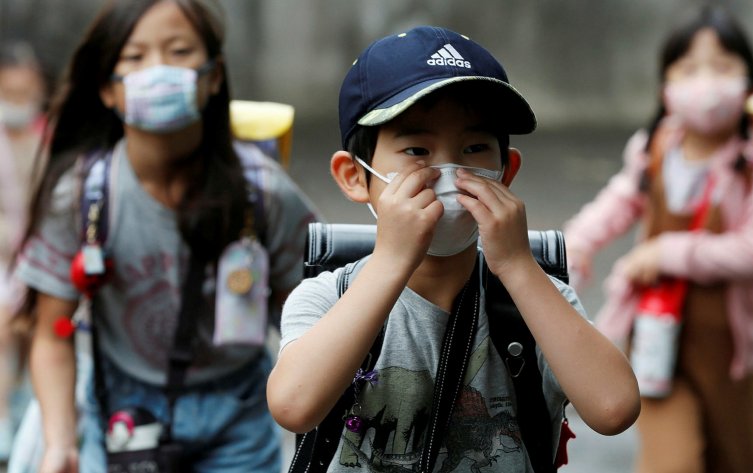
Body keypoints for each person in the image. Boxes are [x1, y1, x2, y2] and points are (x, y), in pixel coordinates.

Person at [267, 25, 640, 472]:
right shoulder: (328, 297)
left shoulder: (534, 302)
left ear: (506, 171)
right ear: (354, 176)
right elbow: (293, 406)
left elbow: (614, 408)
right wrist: (390, 260)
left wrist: (518, 265)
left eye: (475, 148)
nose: (448, 171)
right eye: (417, 149)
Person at [11, 0, 319, 471]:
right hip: (120, 413)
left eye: (178, 51)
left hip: (237, 416)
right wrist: (60, 442)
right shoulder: (81, 197)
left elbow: (309, 321)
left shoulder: (265, 196)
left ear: (214, 76)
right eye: (134, 58)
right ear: (107, 89)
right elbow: (53, 332)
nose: (157, 71)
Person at [562, 6, 753, 473]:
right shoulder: (655, 146)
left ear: (750, 81)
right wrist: (573, 246)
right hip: (652, 337)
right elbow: (618, 201)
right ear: (665, 86)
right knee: (674, 462)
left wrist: (666, 253)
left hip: (728, 348)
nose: (706, 83)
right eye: (689, 68)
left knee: (733, 459)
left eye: (723, 66)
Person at [0, 40, 48, 464]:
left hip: (40, 256)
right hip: (2, 260)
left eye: (25, 94)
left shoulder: (47, 139)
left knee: (44, 329)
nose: (18, 104)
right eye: (9, 94)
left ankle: (35, 420)